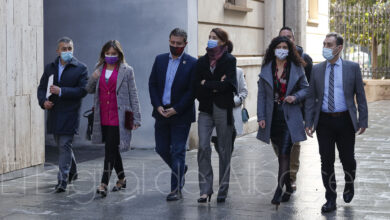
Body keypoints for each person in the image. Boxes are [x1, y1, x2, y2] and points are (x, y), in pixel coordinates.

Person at [305, 32, 368, 213]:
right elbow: (311, 98)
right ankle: (330, 198)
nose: (325, 47)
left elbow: (360, 96)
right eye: (324, 43)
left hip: (345, 121)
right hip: (324, 122)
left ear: (339, 48)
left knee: (347, 159)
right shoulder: (317, 70)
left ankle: (349, 183)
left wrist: (362, 119)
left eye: (329, 44)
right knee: (326, 161)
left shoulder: (352, 68)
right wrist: (308, 121)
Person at [256, 36, 308, 209]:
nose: (282, 49)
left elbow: (306, 88)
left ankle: (278, 189)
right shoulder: (266, 68)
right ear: (273, 48)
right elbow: (262, 95)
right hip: (272, 116)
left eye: (285, 46)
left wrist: (296, 97)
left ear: (290, 49)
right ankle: (287, 187)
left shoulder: (296, 67)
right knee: (280, 153)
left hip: (290, 115)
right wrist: (261, 117)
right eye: (279, 46)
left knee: (285, 151)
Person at [86, 40, 141, 197]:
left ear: (119, 55)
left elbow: (133, 94)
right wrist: (93, 77)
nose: (110, 56)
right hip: (103, 115)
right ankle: (122, 178)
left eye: (113, 54)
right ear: (104, 54)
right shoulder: (99, 69)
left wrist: (136, 118)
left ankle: (103, 183)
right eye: (108, 53)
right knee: (113, 148)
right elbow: (88, 89)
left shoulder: (127, 70)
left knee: (109, 149)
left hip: (119, 116)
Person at [148, 28, 197, 201]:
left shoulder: (192, 63)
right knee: (161, 148)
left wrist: (177, 108)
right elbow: (152, 84)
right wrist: (157, 105)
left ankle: (175, 189)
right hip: (161, 112)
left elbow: (192, 91)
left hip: (180, 114)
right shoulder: (160, 60)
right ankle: (180, 168)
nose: (175, 46)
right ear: (169, 41)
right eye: (172, 42)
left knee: (178, 151)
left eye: (178, 43)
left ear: (185, 44)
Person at [37, 37, 88, 193]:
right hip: (54, 112)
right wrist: (43, 101)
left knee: (64, 145)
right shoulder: (50, 68)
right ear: (58, 51)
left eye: (69, 49)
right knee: (62, 145)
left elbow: (83, 90)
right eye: (64, 49)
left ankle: (62, 180)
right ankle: (73, 171)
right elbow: (41, 88)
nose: (67, 52)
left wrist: (62, 91)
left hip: (70, 113)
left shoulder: (81, 68)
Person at [195, 28, 237, 203]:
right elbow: (196, 87)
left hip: (223, 109)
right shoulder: (201, 62)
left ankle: (223, 189)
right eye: (209, 37)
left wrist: (208, 84)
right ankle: (205, 190)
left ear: (223, 42)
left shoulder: (229, 60)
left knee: (224, 149)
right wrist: (215, 85)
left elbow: (229, 85)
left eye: (215, 38)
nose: (211, 40)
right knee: (203, 147)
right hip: (205, 109)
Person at [277, 26, 313, 190]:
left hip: (296, 109)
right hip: (276, 110)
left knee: (294, 144)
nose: (286, 39)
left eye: (289, 37)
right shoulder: (272, 58)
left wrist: (307, 113)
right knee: (279, 144)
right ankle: (285, 169)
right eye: (282, 37)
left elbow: (309, 89)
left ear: (294, 39)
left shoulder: (304, 59)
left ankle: (291, 177)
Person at [211, 44, 248, 153]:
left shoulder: (238, 72)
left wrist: (233, 101)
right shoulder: (210, 70)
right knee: (217, 141)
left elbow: (244, 92)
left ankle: (225, 166)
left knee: (228, 145)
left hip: (231, 114)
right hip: (215, 114)